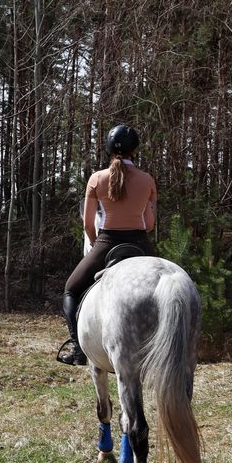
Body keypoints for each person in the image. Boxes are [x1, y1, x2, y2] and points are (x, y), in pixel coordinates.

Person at [57, 124, 157, 365]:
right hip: (140, 244)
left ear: (109, 148)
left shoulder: (97, 179)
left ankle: (79, 350)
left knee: (71, 290)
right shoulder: (147, 180)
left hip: (107, 242)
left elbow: (88, 224)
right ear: (136, 149)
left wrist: (94, 243)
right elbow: (150, 224)